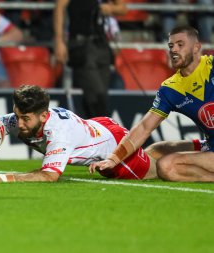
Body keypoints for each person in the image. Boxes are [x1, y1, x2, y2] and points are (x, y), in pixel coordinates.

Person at [0, 85, 206, 183]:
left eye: (26, 119)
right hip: (97, 126)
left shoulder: (58, 133)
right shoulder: (23, 118)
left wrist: (4, 178)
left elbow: (49, 176)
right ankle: (201, 145)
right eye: (18, 116)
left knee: (161, 170)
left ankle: (206, 155)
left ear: (43, 117)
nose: (20, 124)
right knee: (152, 153)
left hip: (111, 145)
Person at [91, 25, 214, 182]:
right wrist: (114, 159)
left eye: (180, 44)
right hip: (211, 144)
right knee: (155, 151)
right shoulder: (171, 88)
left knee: (166, 166)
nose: (174, 50)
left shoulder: (211, 66)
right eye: (171, 46)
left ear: (196, 47)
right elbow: (144, 127)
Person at [54, 0, 127, 118]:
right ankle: (103, 129)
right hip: (80, 44)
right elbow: (59, 7)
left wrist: (110, 9)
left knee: (101, 95)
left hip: (101, 44)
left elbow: (123, 8)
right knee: (96, 95)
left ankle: (94, 129)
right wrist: (59, 40)